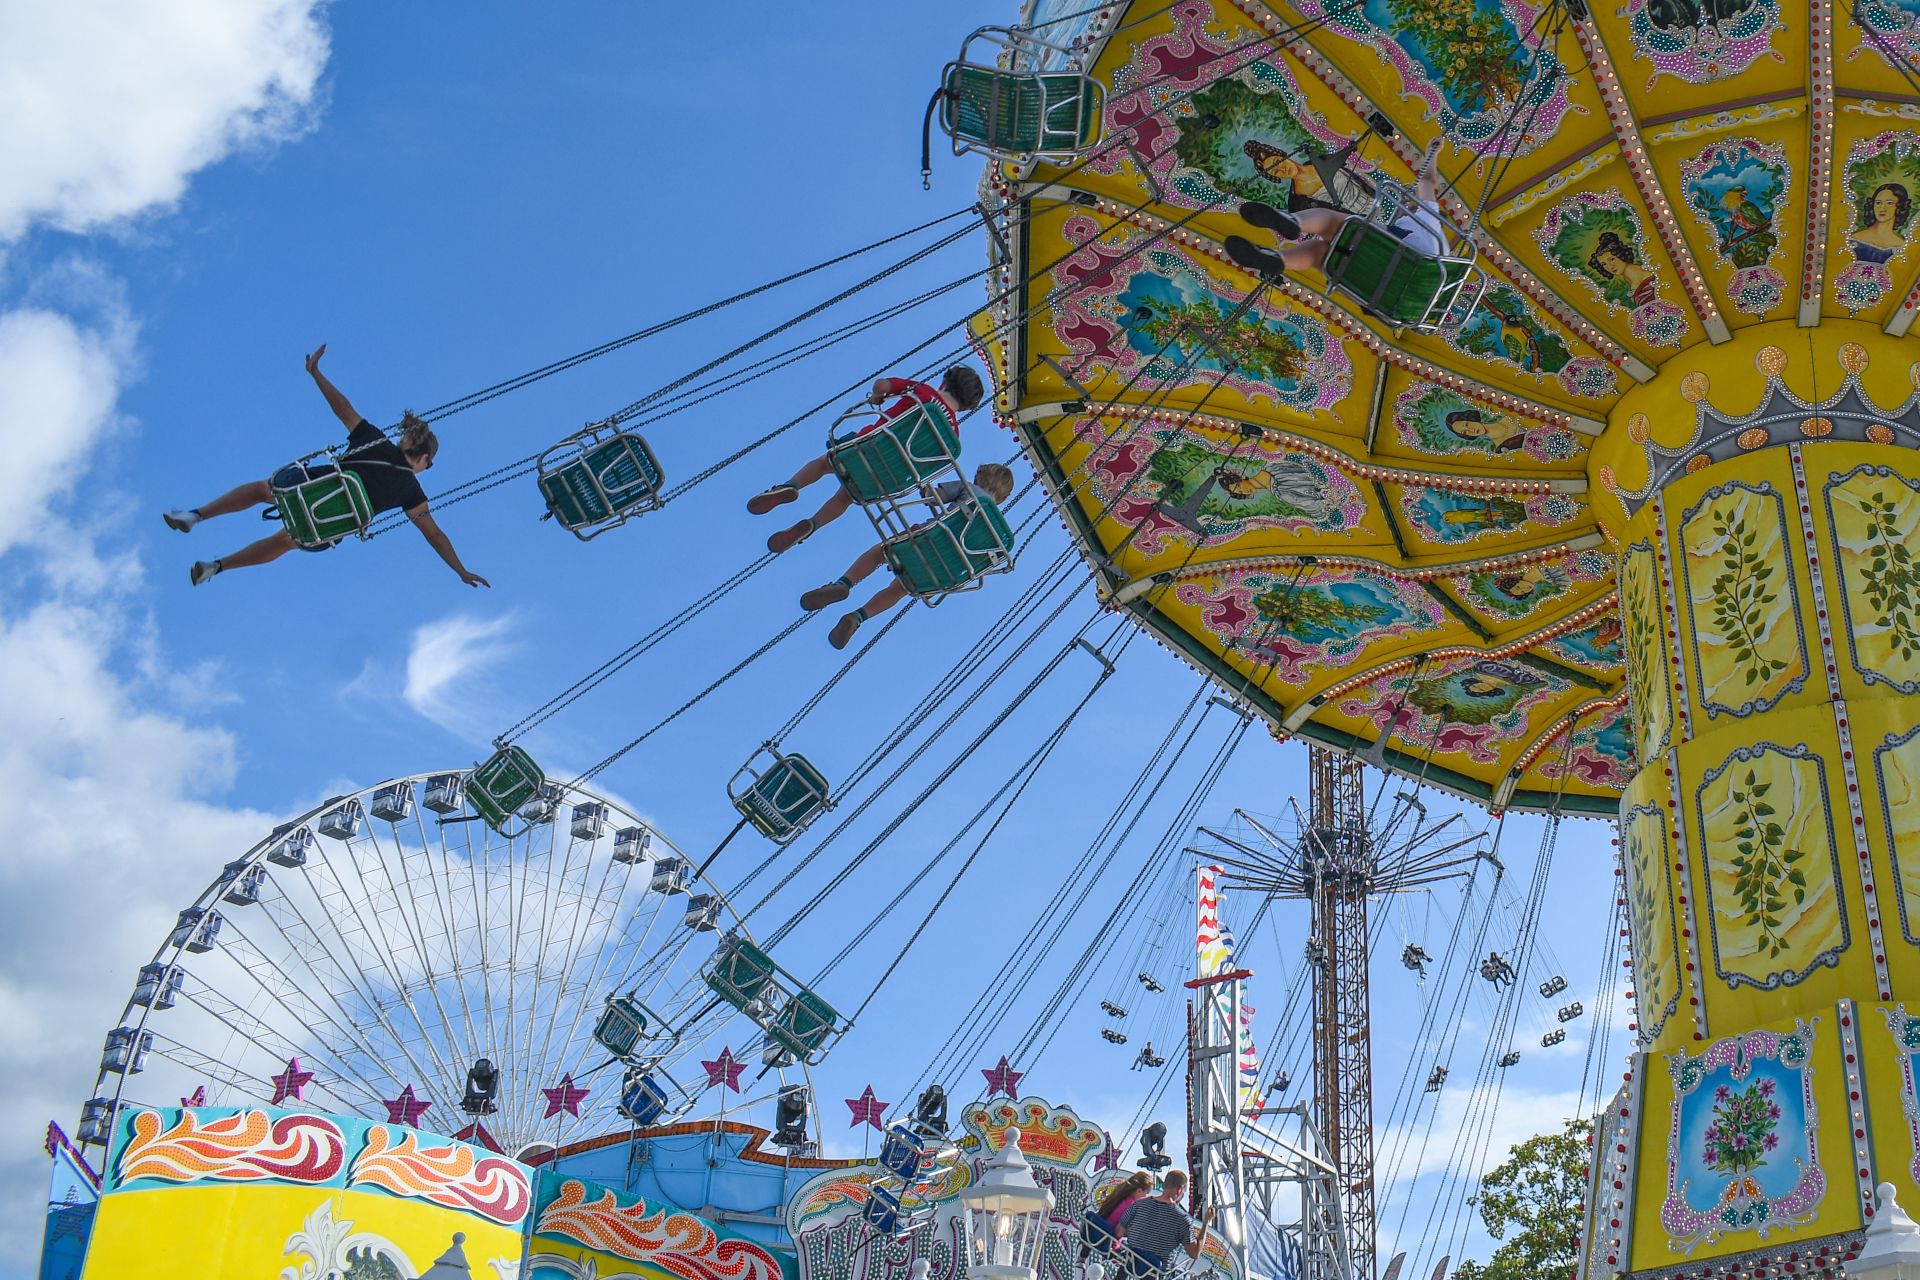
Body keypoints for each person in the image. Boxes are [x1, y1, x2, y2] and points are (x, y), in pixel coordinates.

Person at [166, 346, 489, 589]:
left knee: (261, 490)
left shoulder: (375, 441)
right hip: (324, 529)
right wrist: (460, 570)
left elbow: (343, 408)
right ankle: (216, 567)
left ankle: (195, 516)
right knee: (284, 542)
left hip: (304, 489)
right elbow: (435, 535)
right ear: (424, 458)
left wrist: (316, 374)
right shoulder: (412, 493)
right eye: (429, 466)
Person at [747, 365, 987, 554]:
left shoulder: (923, 391)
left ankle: (791, 486)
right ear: (966, 407)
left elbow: (882, 385)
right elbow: (929, 468)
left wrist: (877, 397)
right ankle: (813, 524)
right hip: (888, 477)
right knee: (845, 498)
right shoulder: (952, 436)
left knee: (824, 464)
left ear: (945, 382)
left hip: (866, 447)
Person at [799, 462, 1015, 649]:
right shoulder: (998, 531)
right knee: (899, 590)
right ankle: (858, 617)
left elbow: (934, 497)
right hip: (940, 570)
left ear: (977, 478)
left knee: (879, 553)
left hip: (924, 540)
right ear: (1003, 499)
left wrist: (926, 489)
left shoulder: (969, 488)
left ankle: (844, 584)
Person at [1224, 138, 1449, 280]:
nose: (1280, 170)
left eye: (1276, 163)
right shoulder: (1431, 234)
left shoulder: (1427, 223)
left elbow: (1426, 182)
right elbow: (1427, 183)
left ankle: (1292, 227)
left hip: (1381, 266)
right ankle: (1279, 255)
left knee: (1329, 227)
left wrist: (1433, 151)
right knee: (1323, 250)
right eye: (1274, 172)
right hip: (1387, 284)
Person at [1116, 1170, 1213, 1278]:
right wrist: (1206, 1223)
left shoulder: (1138, 1204)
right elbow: (1195, 1253)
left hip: (1126, 1272)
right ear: (1179, 1190)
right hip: (1155, 1276)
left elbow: (1119, 1232)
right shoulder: (1182, 1219)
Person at [1081, 1171, 1154, 1260]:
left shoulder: (1119, 1196)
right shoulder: (1131, 1206)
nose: (1146, 1196)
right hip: (1109, 1243)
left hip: (1099, 1235)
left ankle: (1082, 1258)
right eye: (1147, 1192)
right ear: (1139, 1191)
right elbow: (1119, 1233)